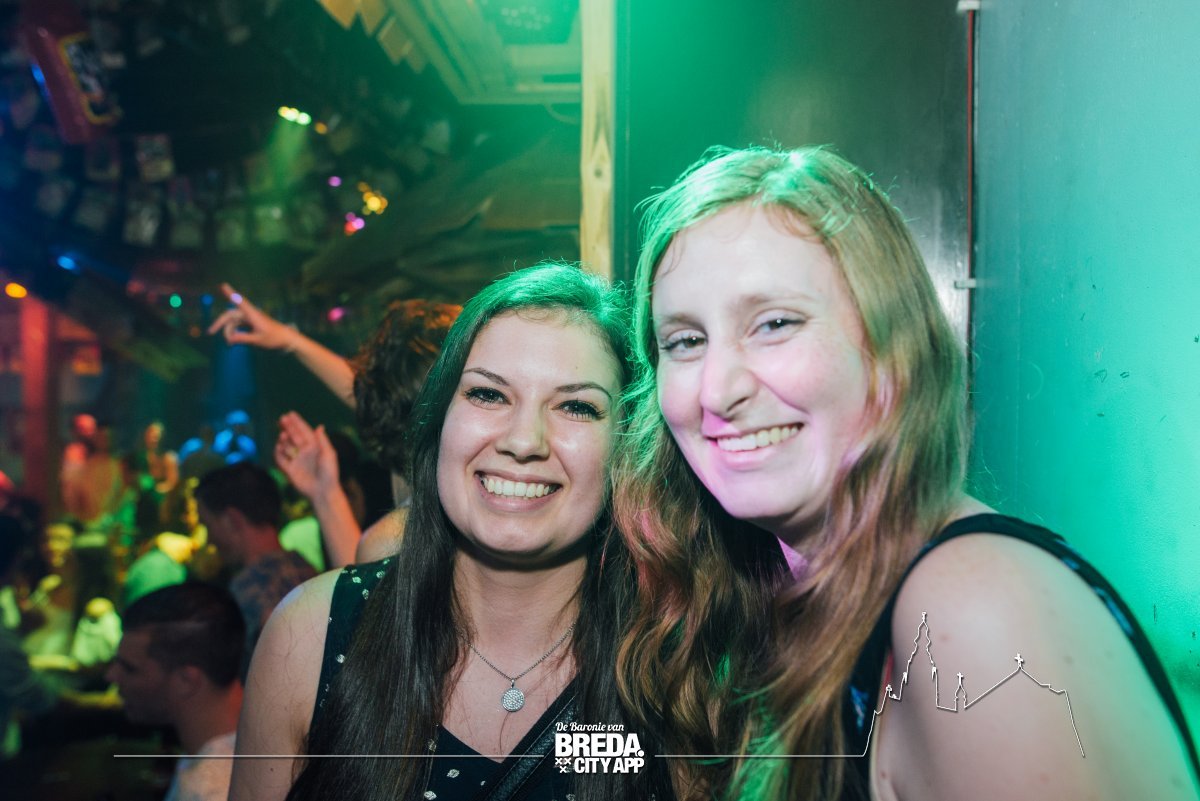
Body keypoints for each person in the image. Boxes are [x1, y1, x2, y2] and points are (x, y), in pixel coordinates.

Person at [613, 146, 1200, 801]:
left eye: (775, 324)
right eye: (686, 341)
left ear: (891, 351)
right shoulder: (769, 592)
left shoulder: (974, 606)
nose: (718, 390)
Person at [230, 263, 672, 801]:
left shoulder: (677, 663)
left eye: (576, 406)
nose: (523, 440)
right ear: (437, 421)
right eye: (488, 395)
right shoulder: (310, 637)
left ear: (628, 446)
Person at [209, 285, 458, 564]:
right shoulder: (453, 484)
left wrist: (325, 494)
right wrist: (291, 341)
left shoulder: (403, 534)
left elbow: (364, 589)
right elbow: (388, 398)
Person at [106, 582, 245, 801]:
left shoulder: (208, 791)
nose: (111, 676)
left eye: (130, 668)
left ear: (186, 681)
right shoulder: (247, 746)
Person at [192, 463, 315, 672]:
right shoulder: (305, 568)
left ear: (232, 520)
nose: (209, 540)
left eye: (208, 525)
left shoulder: (250, 588)